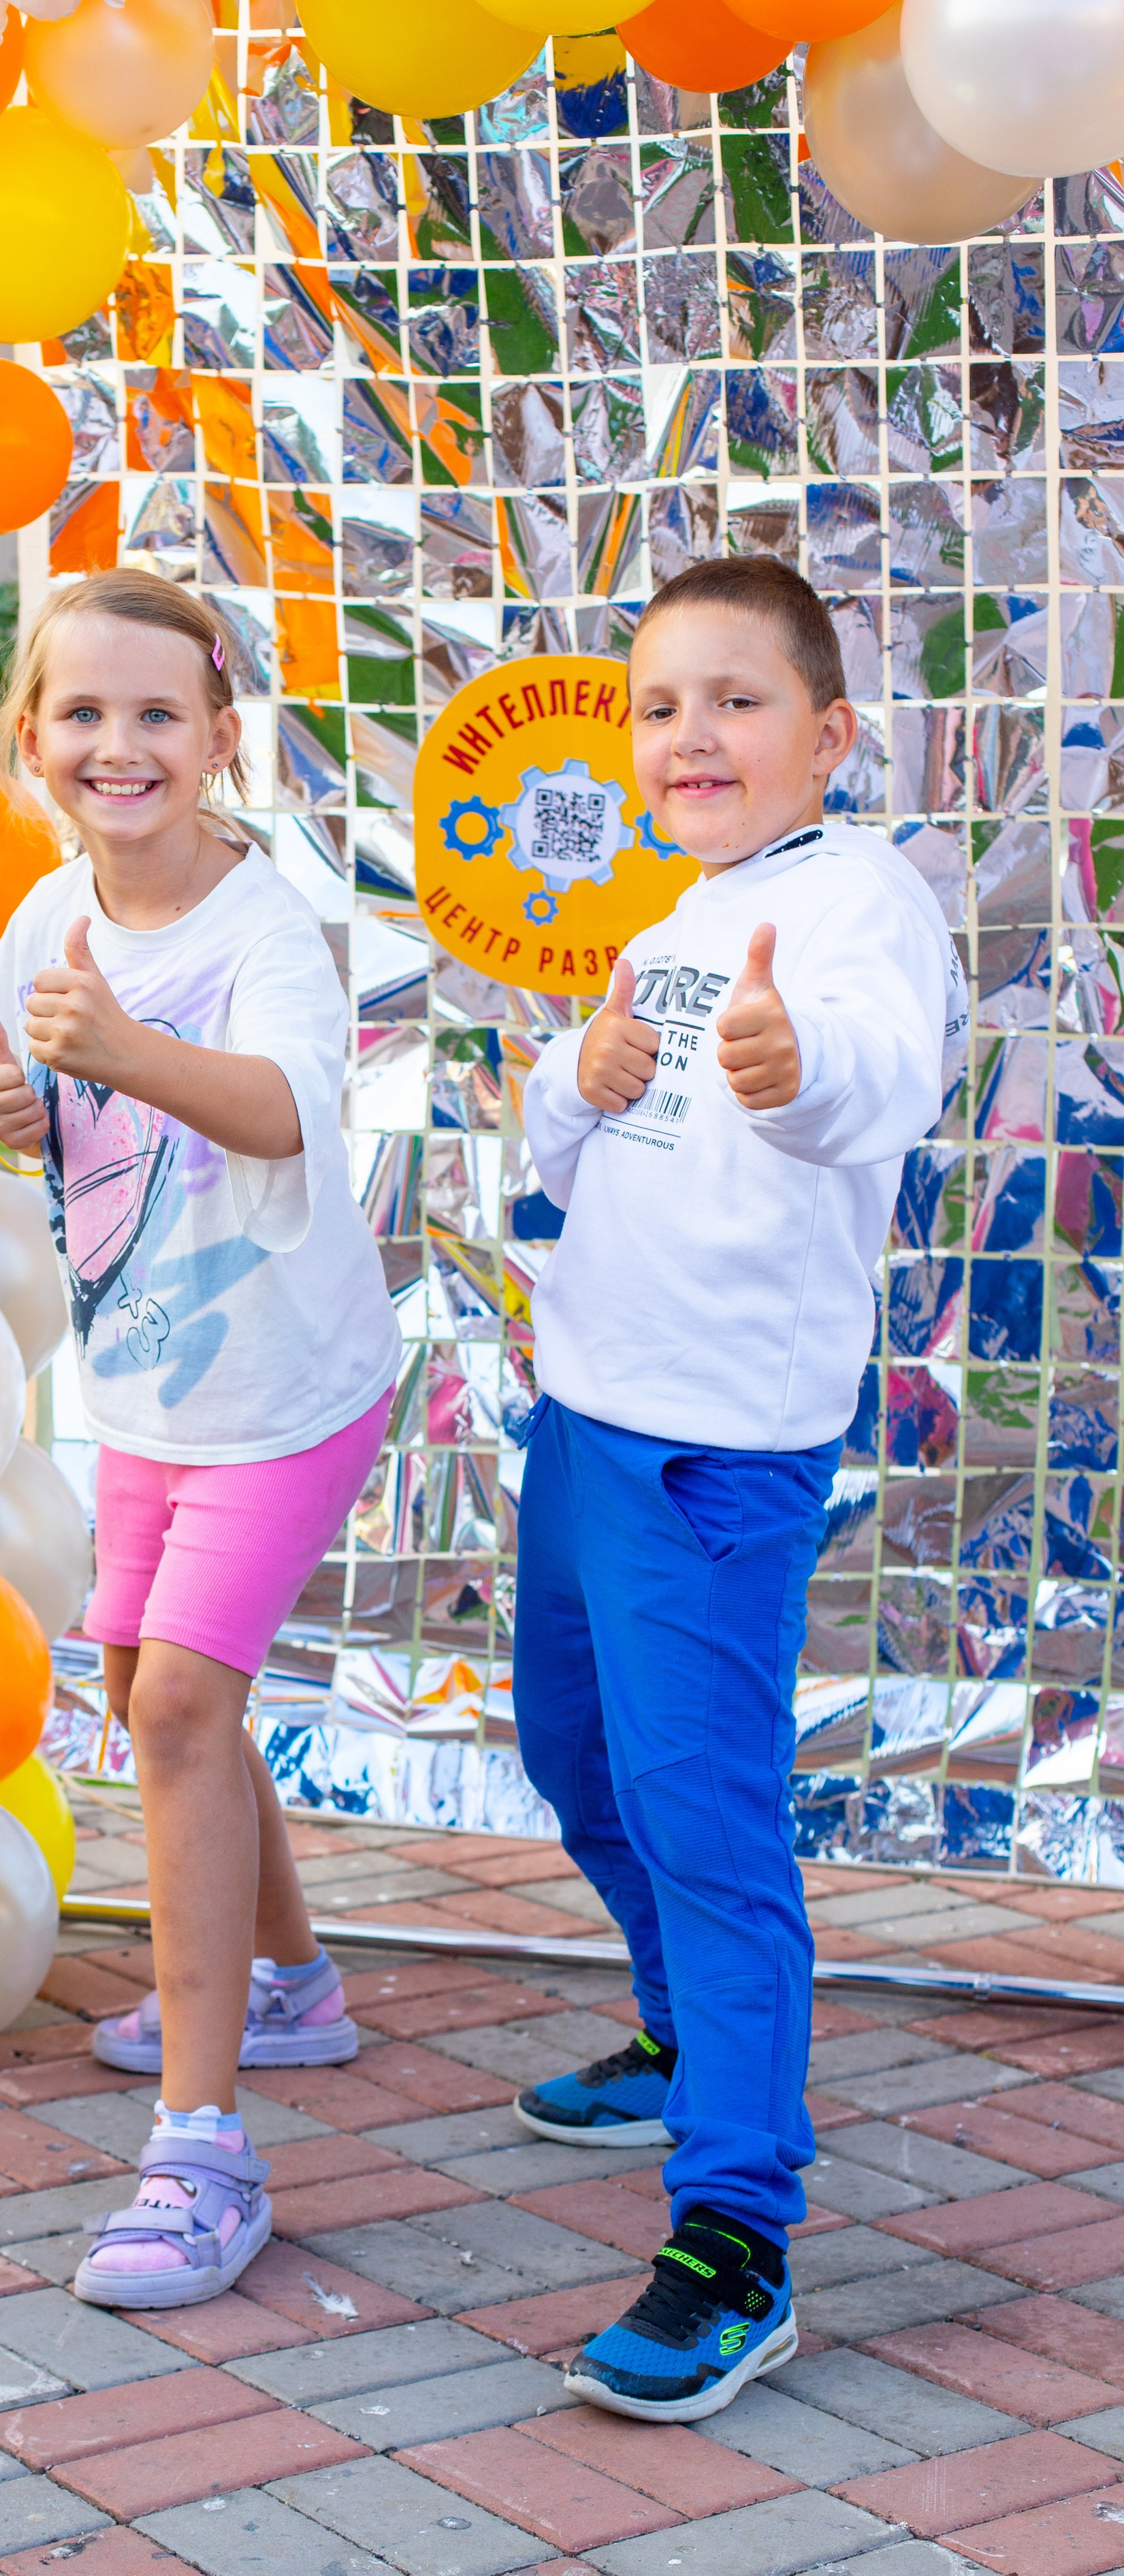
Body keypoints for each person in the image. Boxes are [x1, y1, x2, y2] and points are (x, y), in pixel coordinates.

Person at [510, 556, 967, 2421]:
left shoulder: (855, 898)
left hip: (716, 1447)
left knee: (707, 1822)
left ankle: (737, 2233)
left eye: (738, 698)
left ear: (829, 736)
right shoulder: (678, 914)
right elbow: (564, 1141)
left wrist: (794, 1070)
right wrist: (580, 1062)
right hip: (588, 1413)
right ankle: (693, 2032)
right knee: (572, 1756)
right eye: (659, 705)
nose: (691, 731)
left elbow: (885, 1075)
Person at [0, 568, 400, 2310]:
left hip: (287, 1391)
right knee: (164, 1675)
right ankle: (287, 1982)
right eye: (82, 712)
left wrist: (130, 1052)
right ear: (30, 742)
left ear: (221, 738)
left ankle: (201, 2147)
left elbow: (292, 1111)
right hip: (146, 1386)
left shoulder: (259, 926)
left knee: (170, 1708)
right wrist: (22, 1108)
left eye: (159, 714)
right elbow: (37, 1100)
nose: (119, 744)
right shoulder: (39, 924)